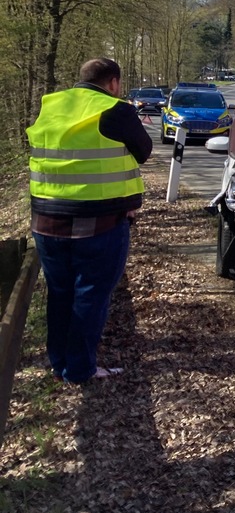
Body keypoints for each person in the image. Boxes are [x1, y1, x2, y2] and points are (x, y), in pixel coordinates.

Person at [27, 57, 153, 383]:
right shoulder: (115, 109)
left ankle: (60, 363)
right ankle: (81, 370)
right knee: (91, 295)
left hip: (46, 220)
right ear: (113, 82)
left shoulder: (52, 105)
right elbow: (144, 150)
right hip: (99, 223)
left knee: (60, 292)